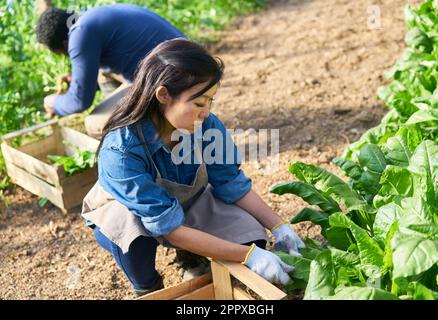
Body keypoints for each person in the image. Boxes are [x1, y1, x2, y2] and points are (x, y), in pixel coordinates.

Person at [81, 39, 305, 297]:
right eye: (199, 103)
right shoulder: (121, 150)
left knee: (252, 236)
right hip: (136, 215)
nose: (206, 112)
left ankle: (192, 256)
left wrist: (279, 226)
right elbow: (169, 228)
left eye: (210, 101)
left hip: (188, 201)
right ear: (163, 95)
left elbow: (230, 182)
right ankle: (148, 287)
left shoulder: (205, 125)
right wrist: (248, 257)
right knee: (130, 234)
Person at [35, 3, 185, 138]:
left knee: (94, 124)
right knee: (103, 74)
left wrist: (54, 102)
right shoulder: (90, 17)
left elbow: (80, 101)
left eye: (61, 53)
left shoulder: (79, 34)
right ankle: (132, 114)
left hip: (178, 79)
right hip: (186, 59)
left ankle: (150, 134)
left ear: (65, 43)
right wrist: (78, 81)